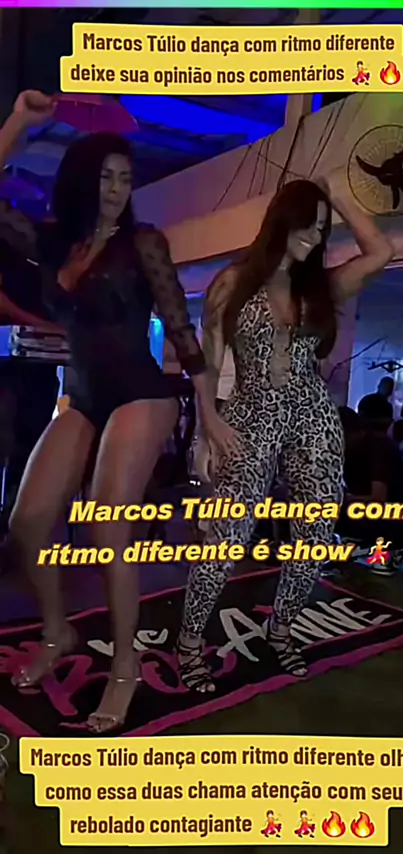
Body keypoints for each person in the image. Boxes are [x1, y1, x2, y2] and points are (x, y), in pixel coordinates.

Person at [0, 90, 234, 732]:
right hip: (81, 394)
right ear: (84, 179)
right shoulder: (55, 243)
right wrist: (19, 121)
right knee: (28, 522)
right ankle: (58, 633)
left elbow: (180, 329)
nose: (116, 190)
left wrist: (208, 415)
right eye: (106, 177)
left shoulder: (144, 243)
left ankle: (126, 665)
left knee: (107, 523)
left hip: (140, 391)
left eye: (125, 179)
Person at [176, 175, 393, 692]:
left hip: (312, 413)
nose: (315, 237)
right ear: (283, 219)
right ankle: (188, 642)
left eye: (322, 229)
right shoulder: (232, 282)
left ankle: (281, 629)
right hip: (249, 412)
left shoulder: (319, 288)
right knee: (226, 537)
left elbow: (382, 251)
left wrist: (336, 196)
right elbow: (208, 361)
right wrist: (207, 427)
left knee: (314, 534)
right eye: (308, 225)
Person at [0, 240, 63, 528]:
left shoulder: (48, 252)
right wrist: (46, 327)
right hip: (10, 362)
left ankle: (14, 522)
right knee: (10, 441)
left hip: (38, 364)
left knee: (30, 444)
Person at [337, 402, 403, 574]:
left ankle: (392, 548)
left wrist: (344, 499)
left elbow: (378, 497)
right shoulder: (348, 452)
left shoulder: (379, 448)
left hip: (392, 519)